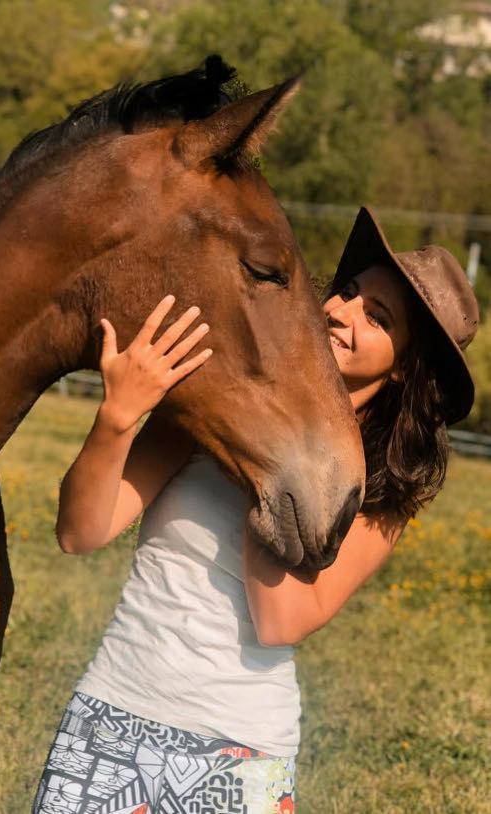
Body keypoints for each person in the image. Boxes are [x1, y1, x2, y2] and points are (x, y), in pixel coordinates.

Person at [30, 207, 480, 814]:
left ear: (403, 367)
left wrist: (275, 458)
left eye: (377, 318)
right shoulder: (211, 406)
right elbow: (80, 532)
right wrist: (117, 416)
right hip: (115, 711)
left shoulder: (383, 493)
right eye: (347, 293)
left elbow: (282, 622)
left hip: (242, 750)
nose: (341, 312)